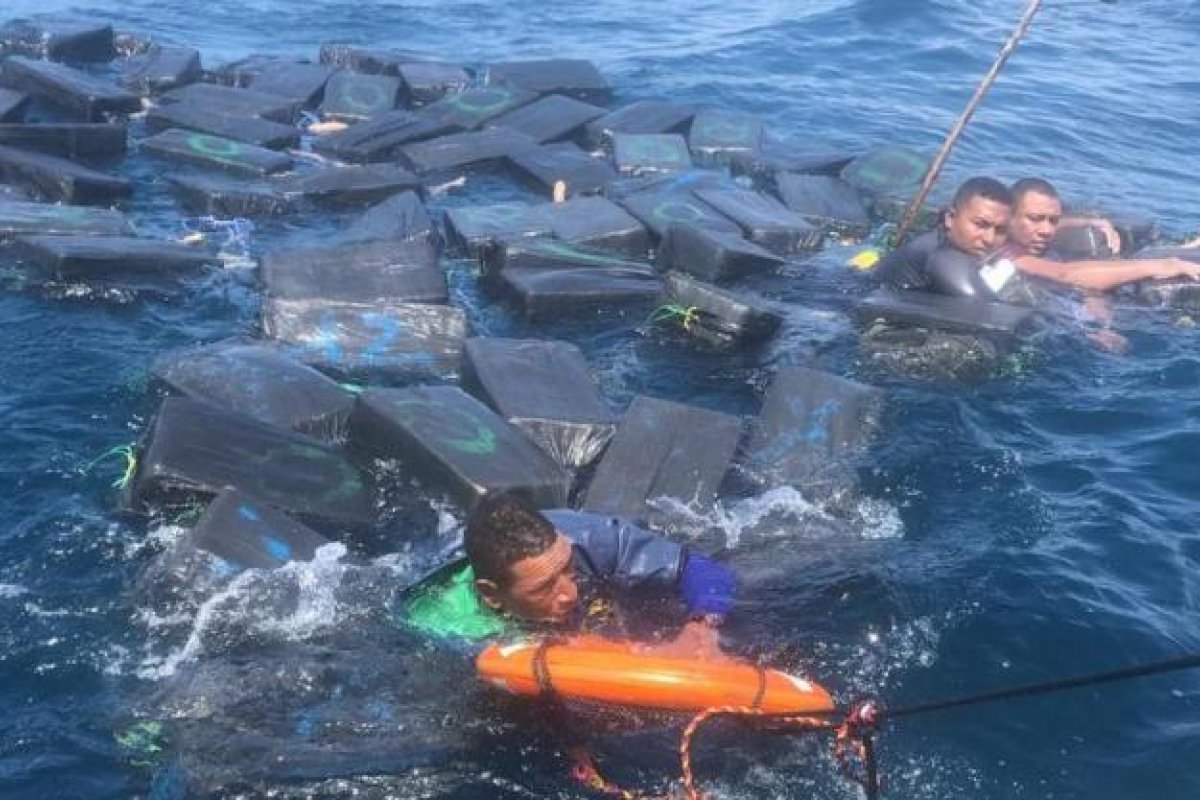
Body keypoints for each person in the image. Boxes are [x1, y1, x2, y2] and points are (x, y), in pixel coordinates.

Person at [400, 493, 735, 662]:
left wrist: (701, 625)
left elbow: (702, 568)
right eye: (545, 588)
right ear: (491, 595)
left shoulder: (585, 540)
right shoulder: (442, 622)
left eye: (568, 569)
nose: (571, 593)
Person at [1003, 178, 1200, 291]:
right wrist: (1161, 266)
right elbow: (1065, 274)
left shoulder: (1026, 235)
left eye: (1052, 220)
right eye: (1035, 218)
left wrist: (1095, 222)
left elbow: (1062, 222)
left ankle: (1185, 249)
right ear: (1008, 216)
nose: (1046, 230)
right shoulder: (1007, 252)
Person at [875, 176, 1015, 298]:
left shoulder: (939, 240)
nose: (989, 239)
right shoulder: (945, 257)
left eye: (1001, 230)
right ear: (950, 218)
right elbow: (989, 310)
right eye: (980, 225)